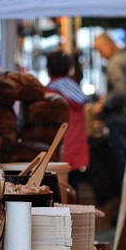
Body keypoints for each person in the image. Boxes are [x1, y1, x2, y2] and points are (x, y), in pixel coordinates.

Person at [92, 33, 126, 199]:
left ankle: (123, 208)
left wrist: (103, 105)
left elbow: (120, 91)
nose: (101, 55)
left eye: (99, 50)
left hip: (122, 121)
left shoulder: (115, 63)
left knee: (123, 168)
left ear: (108, 46)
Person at [45, 50, 90, 190]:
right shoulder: (76, 92)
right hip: (77, 151)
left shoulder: (49, 94)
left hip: (56, 152)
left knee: (57, 194)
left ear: (48, 69)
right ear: (70, 69)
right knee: (73, 191)